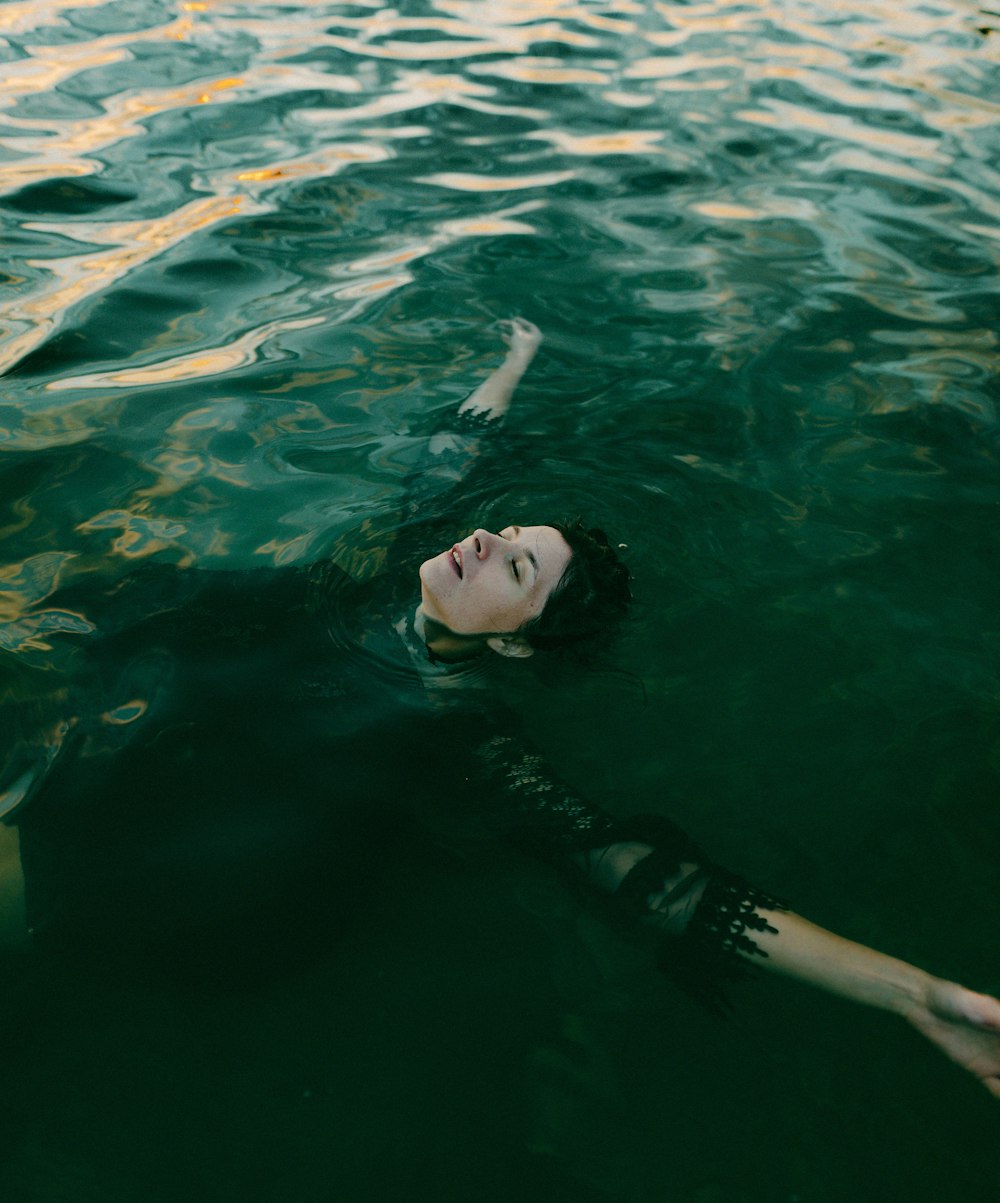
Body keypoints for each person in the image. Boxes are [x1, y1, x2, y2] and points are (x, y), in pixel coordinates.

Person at [1, 319, 999, 1097]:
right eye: (508, 531)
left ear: (516, 638)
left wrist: (908, 992)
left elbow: (648, 876)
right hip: (176, 685)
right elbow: (454, 454)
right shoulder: (409, 551)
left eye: (516, 562)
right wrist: (516, 359)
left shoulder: (464, 736)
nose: (485, 538)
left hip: (205, 842)